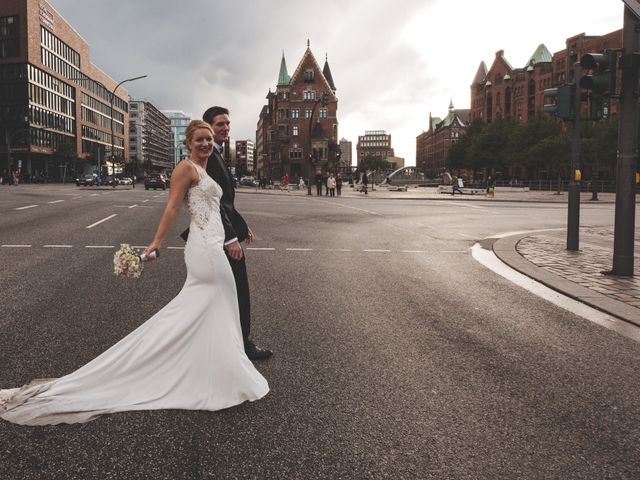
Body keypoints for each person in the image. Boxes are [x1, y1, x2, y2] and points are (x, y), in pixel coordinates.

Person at [0, 120, 268, 426]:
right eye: (200, 140)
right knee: (216, 302)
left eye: (208, 139)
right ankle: (208, 370)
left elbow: (220, 209)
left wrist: (235, 233)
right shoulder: (186, 169)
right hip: (205, 249)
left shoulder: (205, 170)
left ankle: (212, 367)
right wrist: (155, 242)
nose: (206, 144)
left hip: (213, 242)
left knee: (208, 307)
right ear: (188, 144)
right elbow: (171, 208)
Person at [181, 106, 272, 361]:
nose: (225, 128)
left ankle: (216, 342)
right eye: (220, 124)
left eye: (227, 124)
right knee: (237, 291)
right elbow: (216, 204)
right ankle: (242, 344)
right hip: (218, 238)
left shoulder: (216, 155)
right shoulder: (209, 157)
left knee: (215, 293)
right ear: (208, 126)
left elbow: (223, 199)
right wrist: (232, 238)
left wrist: (242, 226)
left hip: (216, 234)